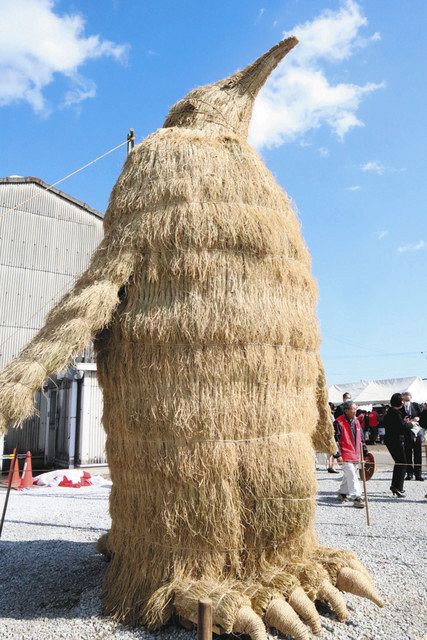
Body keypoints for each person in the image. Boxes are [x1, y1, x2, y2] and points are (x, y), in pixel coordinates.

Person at [334, 400, 367, 508]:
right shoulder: (338, 422)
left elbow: (361, 438)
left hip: (355, 453)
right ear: (347, 410)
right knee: (352, 475)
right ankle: (357, 497)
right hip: (345, 453)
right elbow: (334, 440)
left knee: (349, 475)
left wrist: (365, 451)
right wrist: (337, 455)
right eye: (353, 409)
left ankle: (342, 493)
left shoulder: (356, 421)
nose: (355, 410)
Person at [383, 393, 408, 497]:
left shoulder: (391, 412)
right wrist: (408, 424)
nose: (403, 402)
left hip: (391, 440)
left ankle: (396, 486)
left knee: (399, 462)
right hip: (395, 440)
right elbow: (401, 428)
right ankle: (397, 487)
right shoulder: (395, 413)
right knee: (402, 463)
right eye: (402, 400)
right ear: (399, 401)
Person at [400, 391, 423, 481]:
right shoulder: (400, 408)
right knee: (407, 453)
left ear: (411, 397)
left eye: (407, 397)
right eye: (404, 398)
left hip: (417, 432)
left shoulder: (416, 405)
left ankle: (418, 474)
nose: (406, 399)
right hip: (406, 433)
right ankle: (409, 473)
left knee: (418, 453)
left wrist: (418, 418)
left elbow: (422, 416)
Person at [327, 402, 339, 473]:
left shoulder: (324, 416)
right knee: (334, 451)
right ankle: (332, 467)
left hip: (327, 435)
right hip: (332, 435)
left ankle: (329, 466)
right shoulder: (331, 416)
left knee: (329, 452)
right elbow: (333, 425)